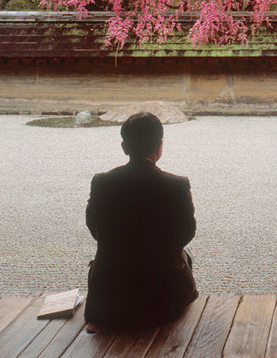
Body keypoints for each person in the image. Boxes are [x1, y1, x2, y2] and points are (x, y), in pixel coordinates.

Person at [84, 112, 198, 330]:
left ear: (124, 147)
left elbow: (94, 227)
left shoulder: (102, 183)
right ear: (160, 146)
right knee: (185, 255)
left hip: (107, 300)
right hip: (163, 302)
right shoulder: (176, 185)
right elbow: (186, 232)